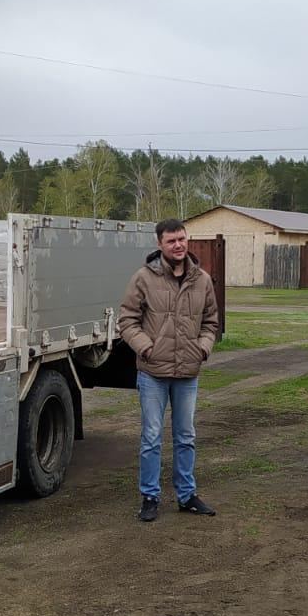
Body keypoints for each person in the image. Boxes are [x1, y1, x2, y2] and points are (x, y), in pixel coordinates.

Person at [118, 219, 223, 522]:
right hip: (153, 373)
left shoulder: (201, 279)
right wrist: (146, 347)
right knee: (151, 437)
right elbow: (127, 320)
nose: (178, 245)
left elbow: (211, 322)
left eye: (181, 239)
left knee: (185, 435)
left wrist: (202, 347)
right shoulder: (143, 278)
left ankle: (186, 495)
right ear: (159, 244)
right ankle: (150, 496)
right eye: (171, 241)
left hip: (187, 373)